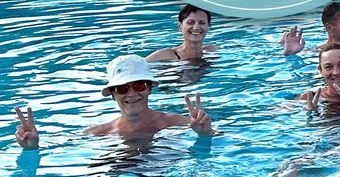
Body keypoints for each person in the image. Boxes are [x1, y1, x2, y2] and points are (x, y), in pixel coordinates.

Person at [12, 55, 218, 149]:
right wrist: (32, 147)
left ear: (149, 88)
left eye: (138, 86)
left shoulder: (175, 122)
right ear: (112, 93)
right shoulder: (101, 132)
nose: (131, 94)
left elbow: (223, 137)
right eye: (122, 88)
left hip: (166, 165)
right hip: (122, 168)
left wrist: (206, 134)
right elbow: (64, 144)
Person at [146, 5, 218, 62]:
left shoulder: (212, 51)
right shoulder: (166, 56)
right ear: (180, 26)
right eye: (190, 22)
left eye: (202, 23)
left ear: (208, 26)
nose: (196, 27)